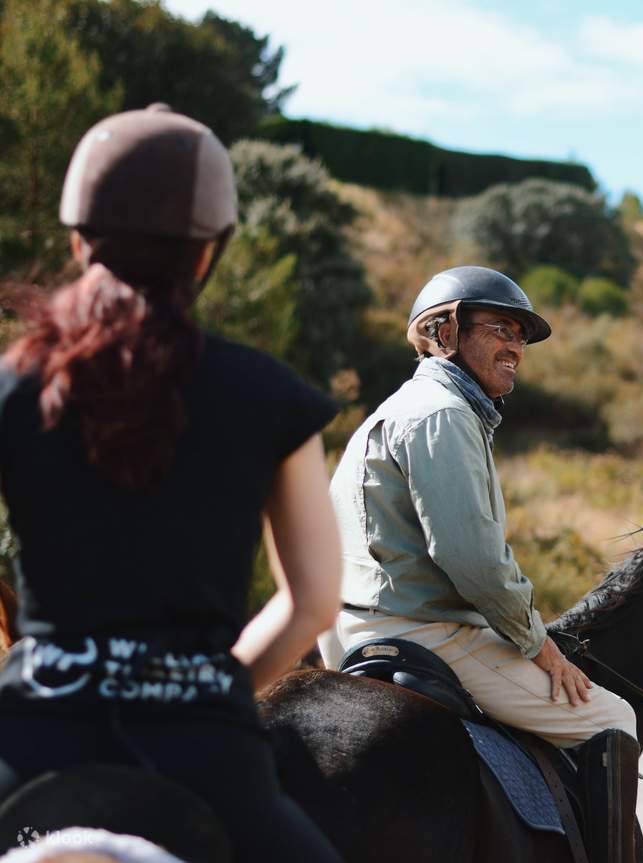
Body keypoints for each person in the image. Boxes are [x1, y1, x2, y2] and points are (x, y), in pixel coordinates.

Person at [0, 105, 344, 861]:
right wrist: (214, 688)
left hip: (28, 745)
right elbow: (314, 599)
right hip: (206, 759)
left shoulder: (10, 388)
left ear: (78, 238)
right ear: (205, 255)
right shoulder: (271, 395)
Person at [320, 265, 640, 862]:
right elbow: (473, 561)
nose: (516, 347)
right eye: (501, 329)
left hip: (348, 630)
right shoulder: (444, 413)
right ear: (444, 333)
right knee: (613, 717)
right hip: (423, 631)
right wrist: (540, 646)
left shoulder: (400, 409)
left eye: (521, 335)